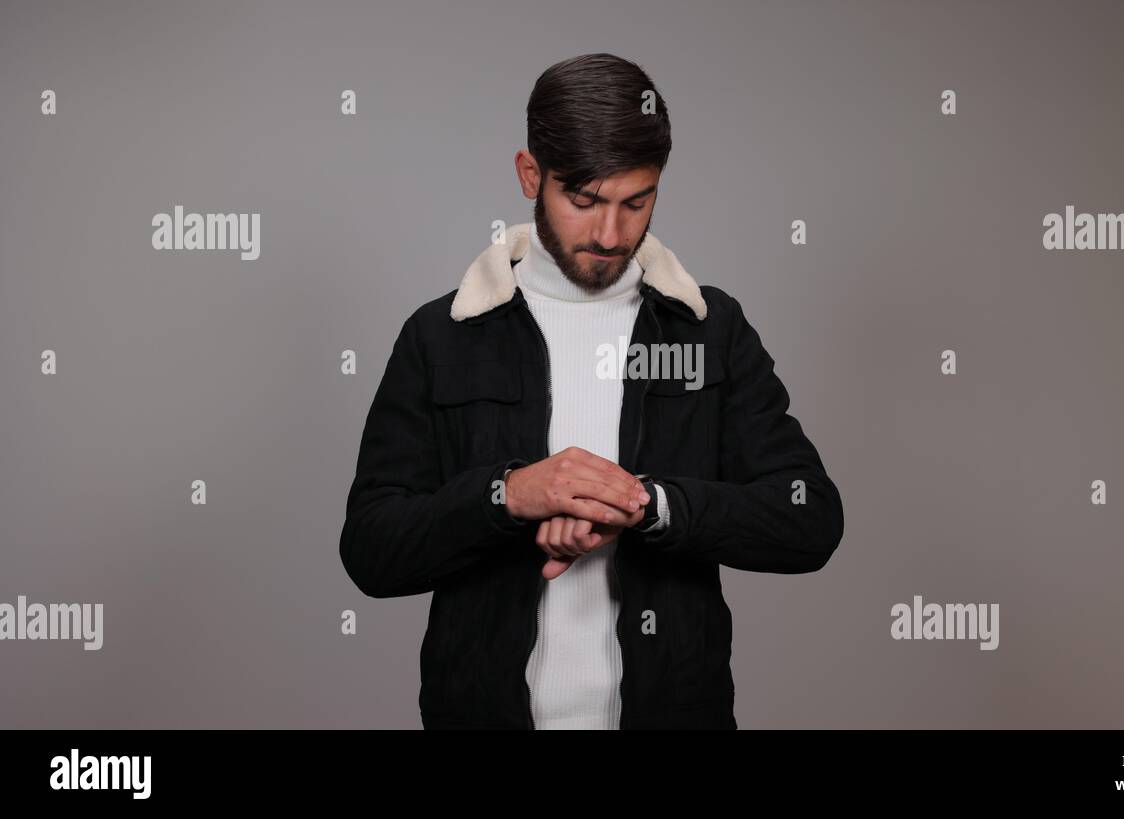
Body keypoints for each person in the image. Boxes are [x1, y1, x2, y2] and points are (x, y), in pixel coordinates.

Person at [339, 53, 843, 730]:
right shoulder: (441, 335)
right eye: (585, 201)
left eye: (637, 202)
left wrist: (646, 503)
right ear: (529, 175)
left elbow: (808, 519)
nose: (611, 234)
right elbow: (372, 548)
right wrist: (509, 493)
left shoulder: (710, 329)